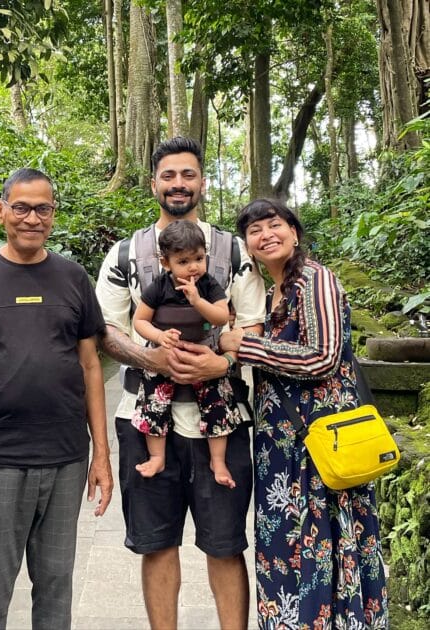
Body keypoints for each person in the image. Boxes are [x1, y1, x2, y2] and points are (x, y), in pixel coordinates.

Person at [95, 136, 265, 630]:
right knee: (156, 541)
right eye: (168, 175)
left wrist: (223, 364)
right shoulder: (126, 254)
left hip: (223, 415)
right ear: (153, 184)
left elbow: (252, 323)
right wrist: (153, 357)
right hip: (145, 414)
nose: (178, 184)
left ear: (202, 183)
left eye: (187, 174)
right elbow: (108, 328)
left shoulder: (232, 251)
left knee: (226, 543)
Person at [0, 168, 113, 630]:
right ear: (1, 211)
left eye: (43, 208)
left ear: (53, 215)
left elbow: (91, 365)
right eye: (21, 207)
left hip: (66, 457)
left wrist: (101, 453)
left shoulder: (73, 278)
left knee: (56, 584)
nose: (31, 218)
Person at [221, 198, 388, 628]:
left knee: (329, 541)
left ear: (294, 232)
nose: (266, 235)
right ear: (248, 245)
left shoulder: (316, 280)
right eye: (254, 231)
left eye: (274, 224)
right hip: (281, 448)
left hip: (321, 442)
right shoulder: (267, 291)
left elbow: (322, 357)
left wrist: (245, 346)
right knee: (285, 545)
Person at [132, 219, 242, 487]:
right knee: (153, 404)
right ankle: (157, 457)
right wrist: (159, 337)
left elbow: (220, 317)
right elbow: (140, 320)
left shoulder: (207, 284)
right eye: (183, 261)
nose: (193, 266)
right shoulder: (159, 286)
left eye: (199, 258)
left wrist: (197, 301)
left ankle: (218, 461)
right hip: (164, 355)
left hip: (203, 354)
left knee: (218, 404)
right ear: (166, 262)